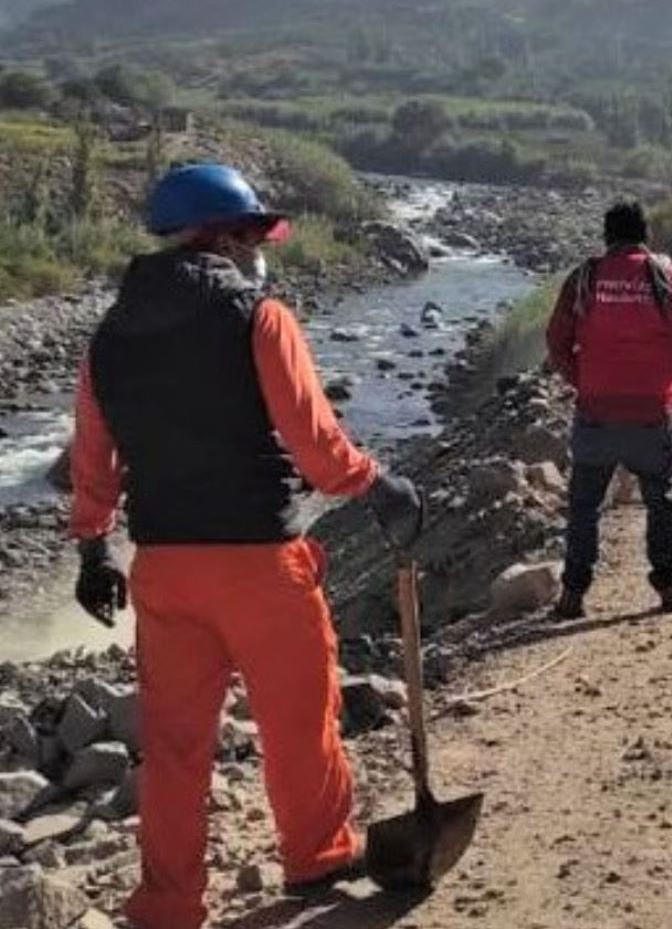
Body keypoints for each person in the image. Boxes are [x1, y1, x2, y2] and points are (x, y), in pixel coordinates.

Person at [68, 163, 421, 929]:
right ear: (223, 235)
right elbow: (314, 443)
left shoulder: (109, 339)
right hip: (260, 563)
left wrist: (94, 550)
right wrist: (377, 484)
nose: (261, 247)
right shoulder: (258, 317)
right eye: (255, 233)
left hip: (163, 568)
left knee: (174, 749)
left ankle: (167, 905)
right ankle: (318, 856)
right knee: (299, 720)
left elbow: (92, 455)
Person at [545, 199, 672, 619]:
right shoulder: (666, 277)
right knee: (662, 502)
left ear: (607, 236)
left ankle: (573, 596)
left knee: (584, 507)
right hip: (652, 414)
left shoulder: (585, 277)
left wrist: (580, 380)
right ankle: (668, 590)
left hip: (596, 414)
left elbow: (556, 340)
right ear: (644, 236)